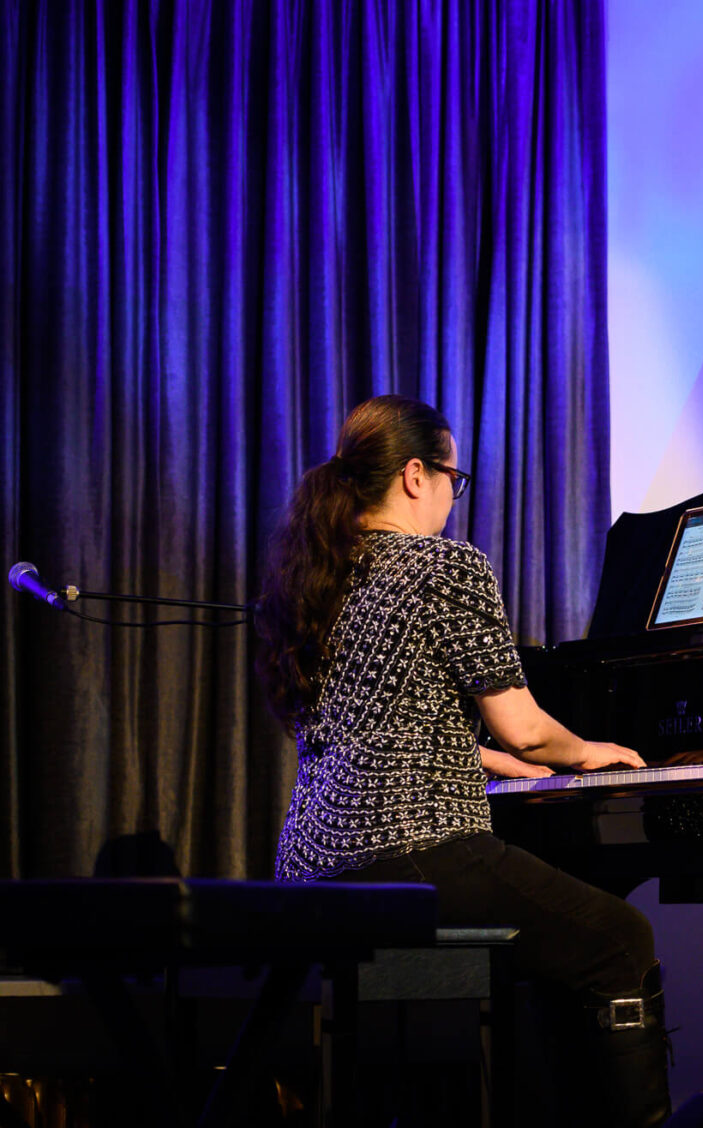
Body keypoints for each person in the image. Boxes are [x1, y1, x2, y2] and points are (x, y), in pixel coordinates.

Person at [255, 394, 670, 1127]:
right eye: (454, 476)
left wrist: (478, 757)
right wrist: (590, 751)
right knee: (618, 941)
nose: (454, 494)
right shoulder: (442, 566)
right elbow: (528, 731)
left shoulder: (316, 572)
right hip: (413, 850)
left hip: (314, 861)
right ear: (416, 475)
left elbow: (365, 720)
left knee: (539, 959)